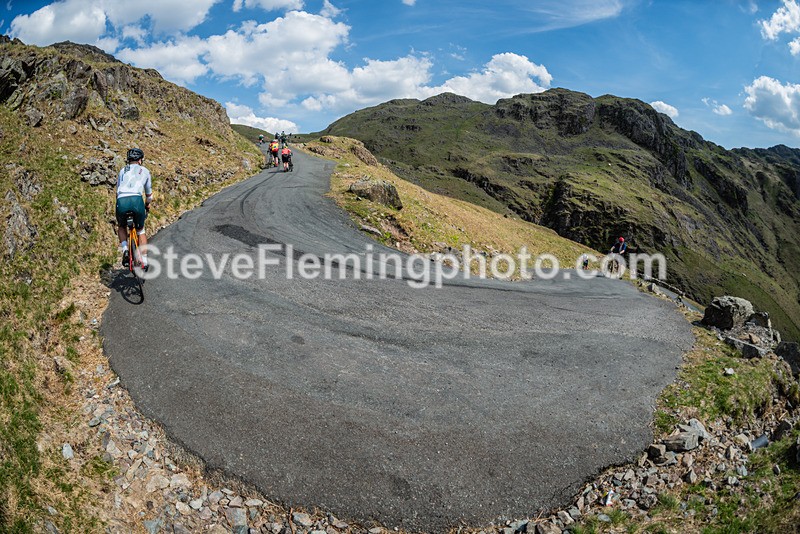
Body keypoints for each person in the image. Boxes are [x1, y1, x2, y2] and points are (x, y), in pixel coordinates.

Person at [116, 148, 153, 270]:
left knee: (121, 226)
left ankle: (125, 249)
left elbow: (117, 190)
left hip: (122, 200)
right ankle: (144, 259)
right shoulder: (145, 171)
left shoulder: (122, 170)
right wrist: (147, 205)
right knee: (140, 230)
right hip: (136, 200)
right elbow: (149, 195)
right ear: (140, 160)